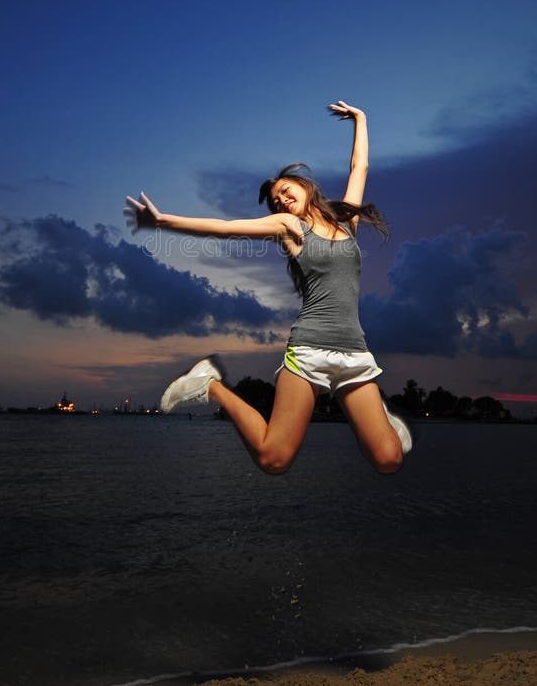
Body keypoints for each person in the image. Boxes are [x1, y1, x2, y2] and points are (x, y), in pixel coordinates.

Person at [124, 100, 411, 476]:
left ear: (305, 186)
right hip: (308, 350)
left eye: (286, 190)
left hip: (354, 352)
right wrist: (162, 222)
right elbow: (224, 227)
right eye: (277, 200)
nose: (282, 198)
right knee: (273, 460)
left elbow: (360, 167)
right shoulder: (289, 229)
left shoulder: (346, 223)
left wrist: (361, 119)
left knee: (388, 460)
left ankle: (387, 424)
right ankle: (210, 385)